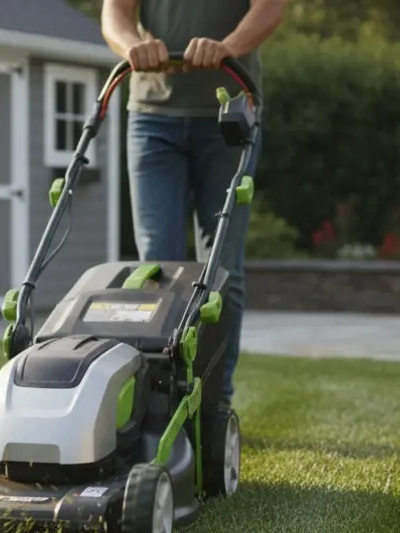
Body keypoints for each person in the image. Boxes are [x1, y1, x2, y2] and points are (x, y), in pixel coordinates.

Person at [100, 0, 285, 411]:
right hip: (152, 116)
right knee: (156, 268)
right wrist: (132, 45)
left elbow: (270, 8)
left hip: (230, 113)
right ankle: (160, 398)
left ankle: (214, 402)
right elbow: (116, 13)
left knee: (221, 270)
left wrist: (228, 47)